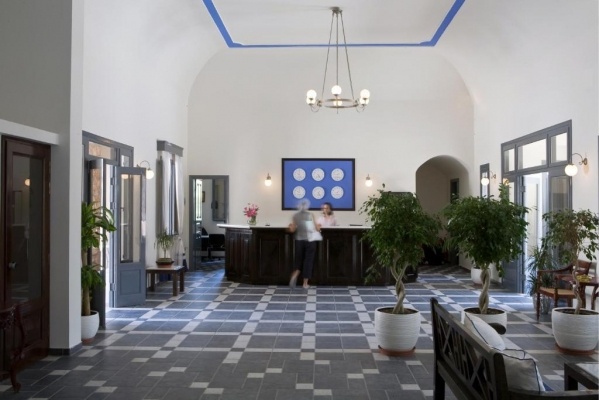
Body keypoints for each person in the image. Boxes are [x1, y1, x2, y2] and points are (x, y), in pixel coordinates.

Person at [288, 199, 318, 289]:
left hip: (299, 240)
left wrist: (290, 227)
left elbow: (292, 229)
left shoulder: (295, 215)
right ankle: (305, 284)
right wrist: (319, 227)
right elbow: (314, 228)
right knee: (308, 261)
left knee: (299, 260)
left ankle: (295, 274)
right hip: (310, 240)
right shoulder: (310, 215)